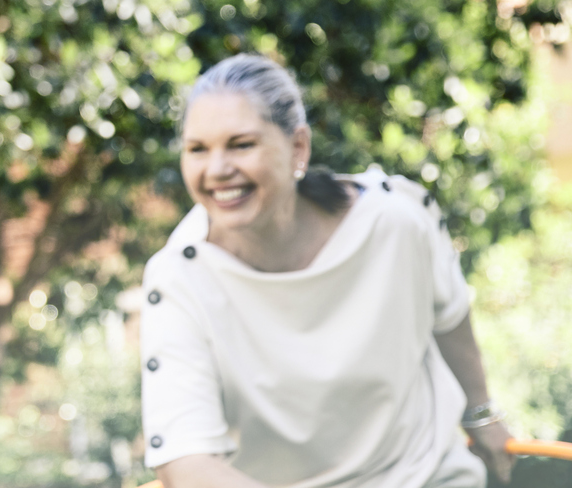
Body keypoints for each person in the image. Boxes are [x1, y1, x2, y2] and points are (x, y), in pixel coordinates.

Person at [140, 54, 516, 487]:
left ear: (298, 147)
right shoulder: (179, 279)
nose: (217, 169)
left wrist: (481, 413)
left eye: (241, 144)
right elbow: (185, 460)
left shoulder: (394, 220)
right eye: (197, 150)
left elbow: (449, 316)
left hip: (426, 476)